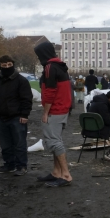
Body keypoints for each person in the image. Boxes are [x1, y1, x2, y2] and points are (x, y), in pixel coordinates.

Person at [34, 41, 73, 187]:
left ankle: (66, 175)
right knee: (56, 140)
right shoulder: (60, 66)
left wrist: (45, 112)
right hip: (63, 108)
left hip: (55, 110)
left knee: (54, 142)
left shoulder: (50, 67)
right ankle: (56, 172)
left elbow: (50, 92)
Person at [0, 55, 33, 175]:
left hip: (17, 117)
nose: (7, 67)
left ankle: (21, 166)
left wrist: (25, 115)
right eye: (4, 66)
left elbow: (26, 99)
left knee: (19, 143)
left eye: (9, 65)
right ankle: (9, 164)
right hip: (1, 117)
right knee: (5, 144)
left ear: (13, 64)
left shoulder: (21, 81)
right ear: (0, 67)